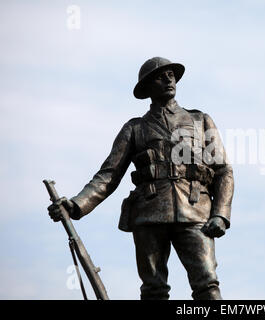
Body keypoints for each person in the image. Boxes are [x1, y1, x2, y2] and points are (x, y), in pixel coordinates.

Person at [48, 57, 234, 300]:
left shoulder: (200, 120)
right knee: (153, 289)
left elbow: (223, 172)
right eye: (160, 76)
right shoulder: (134, 128)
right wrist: (76, 204)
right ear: (147, 88)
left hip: (195, 212)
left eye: (171, 75)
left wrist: (220, 214)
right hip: (149, 214)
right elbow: (108, 175)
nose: (169, 79)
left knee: (207, 283)